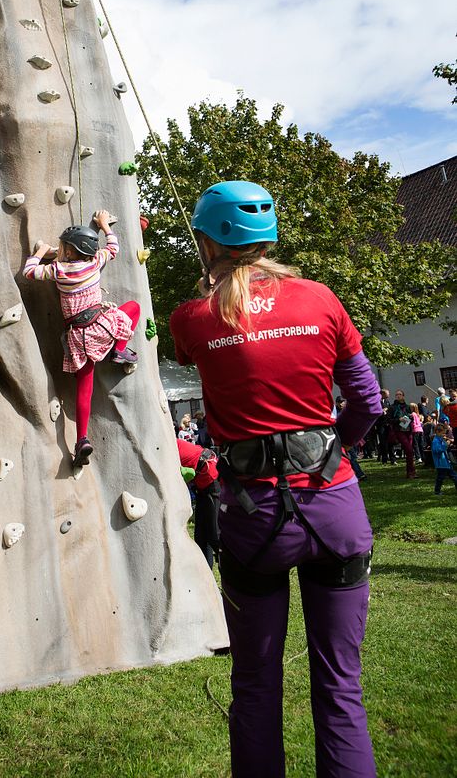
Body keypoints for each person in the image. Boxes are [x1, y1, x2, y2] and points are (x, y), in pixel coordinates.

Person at [170, 180, 380, 778]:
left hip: (255, 518)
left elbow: (194, 353)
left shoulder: (194, 318)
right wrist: (334, 451)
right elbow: (366, 400)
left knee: (256, 685)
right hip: (334, 507)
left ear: (209, 242)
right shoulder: (321, 299)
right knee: (341, 688)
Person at [23, 210, 139, 468]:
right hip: (102, 326)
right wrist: (104, 226)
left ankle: (82, 439)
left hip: (80, 337)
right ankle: (119, 350)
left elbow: (30, 272)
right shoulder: (95, 262)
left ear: (71, 251)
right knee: (133, 308)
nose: (61, 250)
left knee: (84, 389)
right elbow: (113, 248)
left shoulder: (59, 270)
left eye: (64, 247)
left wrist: (40, 253)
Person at [176, 437, 220, 567]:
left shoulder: (168, 447)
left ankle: (232, 571)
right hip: (201, 486)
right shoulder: (167, 445)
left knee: (214, 534)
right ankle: (206, 577)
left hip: (211, 479)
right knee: (201, 537)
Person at [431, 424, 457, 494]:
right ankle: (437, 491)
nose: (444, 435)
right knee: (440, 478)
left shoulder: (441, 440)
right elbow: (437, 450)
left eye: (444, 433)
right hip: (441, 463)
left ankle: (437, 491)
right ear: (437, 432)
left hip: (446, 463)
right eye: (442, 433)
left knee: (454, 476)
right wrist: (446, 444)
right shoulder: (435, 441)